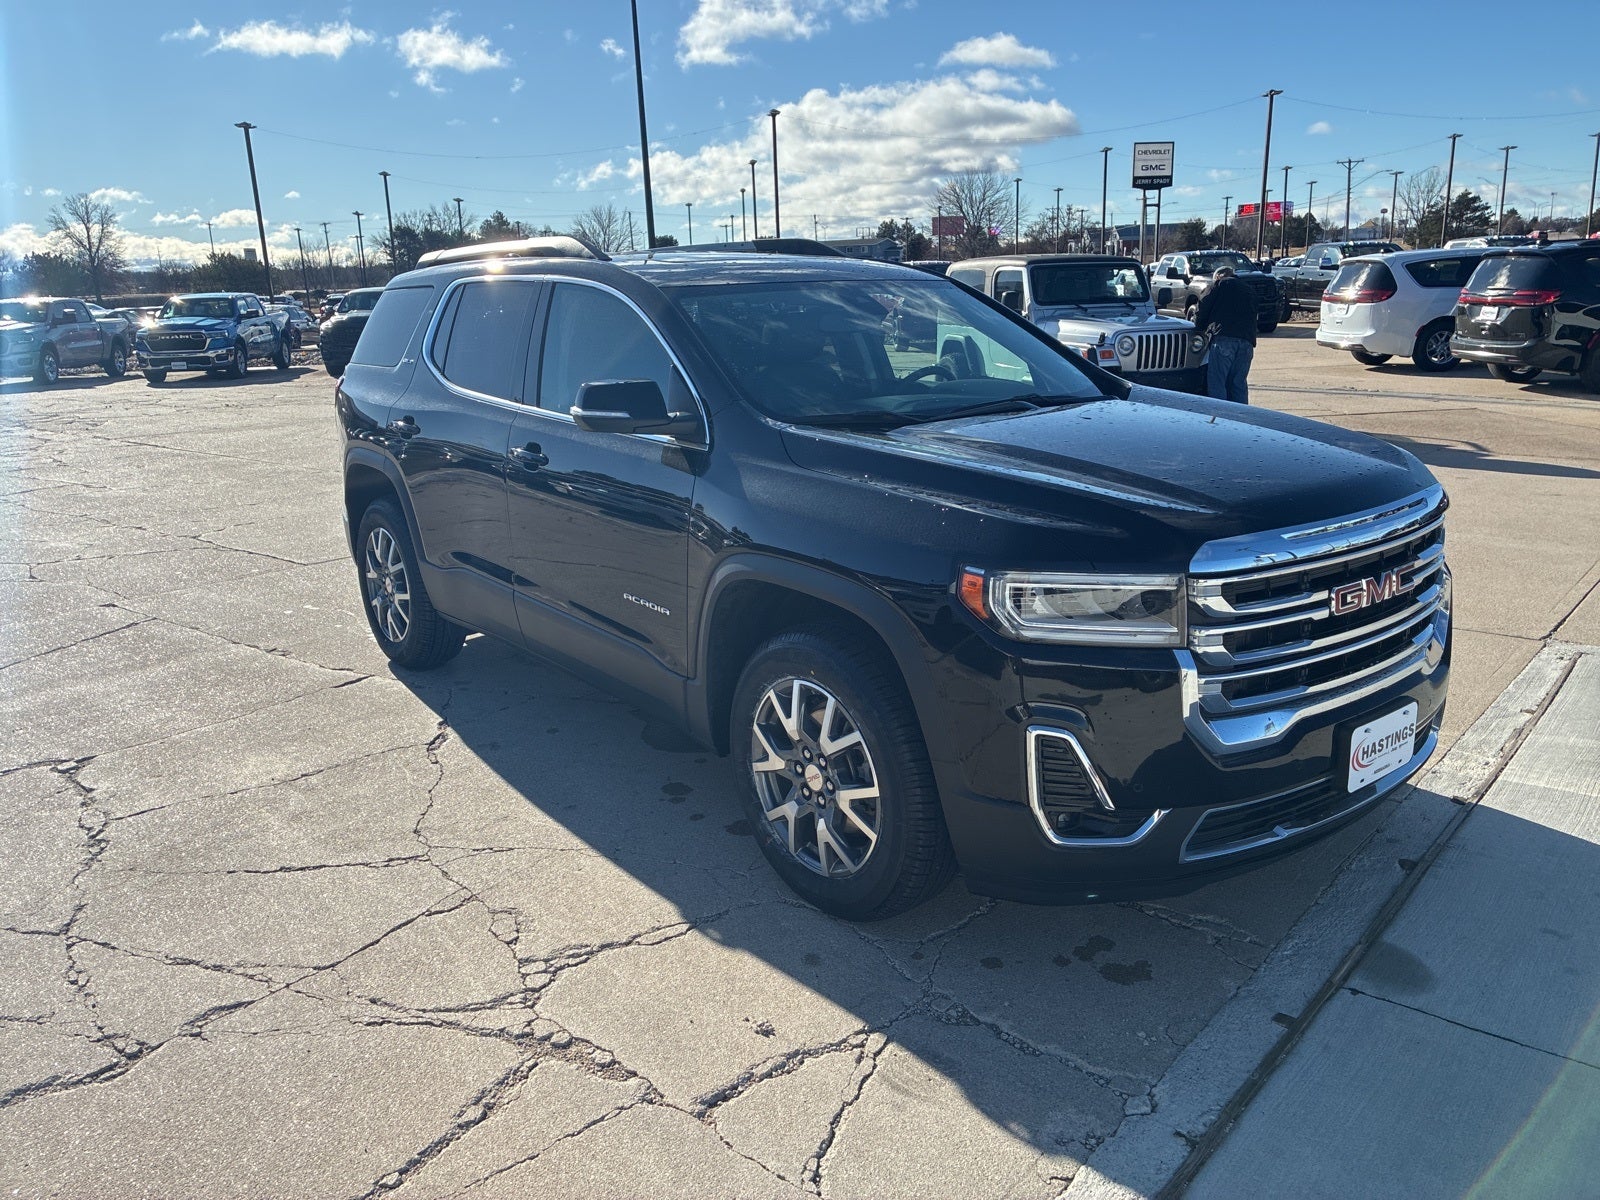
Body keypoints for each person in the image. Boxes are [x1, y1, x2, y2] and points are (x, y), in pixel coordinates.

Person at [1194, 265, 1256, 404]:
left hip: (1224, 340)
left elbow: (1202, 307)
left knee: (1217, 383)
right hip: (1247, 342)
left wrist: (1200, 327)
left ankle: (1220, 418)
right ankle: (1240, 418)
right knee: (1238, 384)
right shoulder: (1248, 289)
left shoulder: (1217, 285)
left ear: (1218, 276)